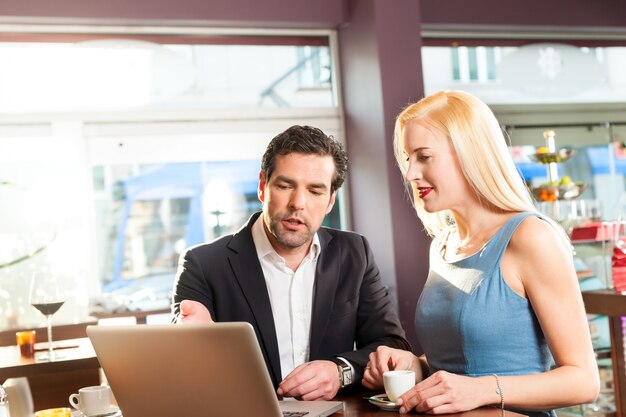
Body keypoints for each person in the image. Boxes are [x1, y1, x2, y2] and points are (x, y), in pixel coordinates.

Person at [362, 91, 599, 417]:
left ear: (468, 153)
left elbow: (583, 381)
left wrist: (482, 390)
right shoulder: (443, 244)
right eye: (407, 159)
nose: (410, 173)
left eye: (424, 156)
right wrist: (415, 366)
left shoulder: (530, 237)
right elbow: (467, 356)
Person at [172, 125, 411, 401]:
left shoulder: (354, 252)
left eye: (315, 191)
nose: (298, 203)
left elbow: (393, 345)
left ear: (331, 201)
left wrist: (341, 371)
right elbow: (186, 366)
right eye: (285, 186)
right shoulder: (203, 264)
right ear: (263, 187)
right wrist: (189, 345)